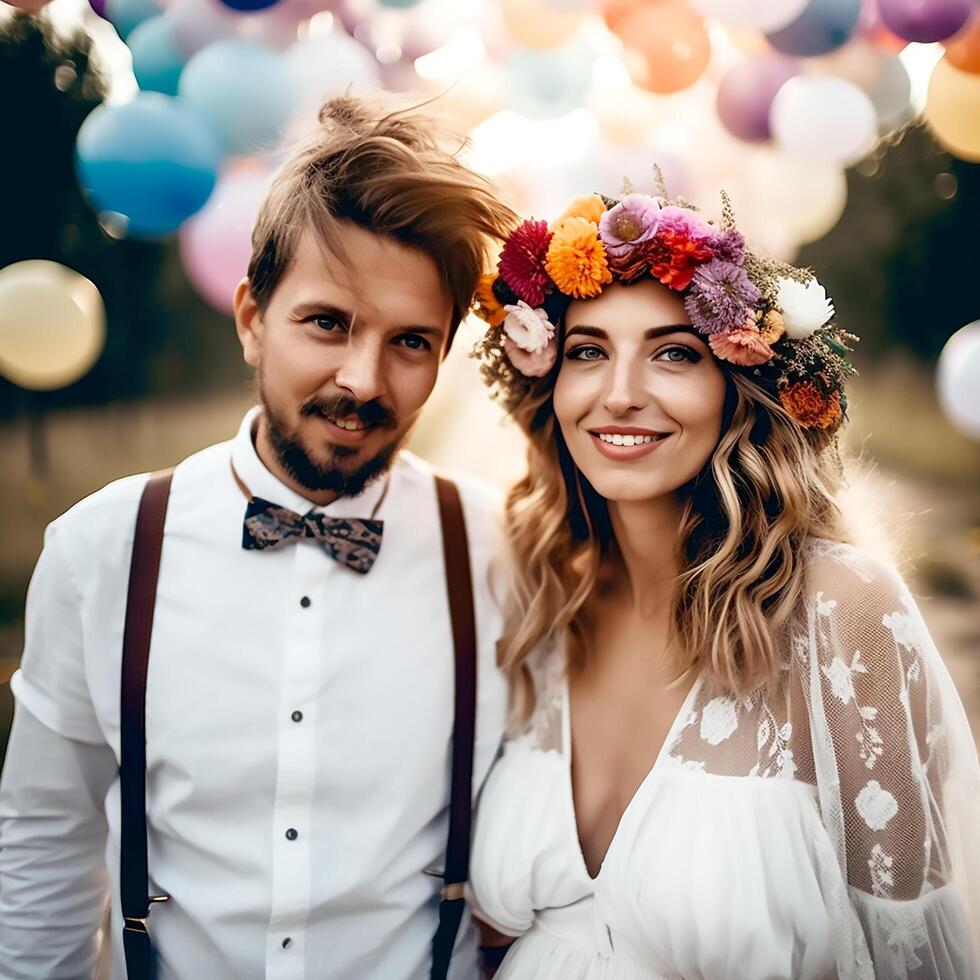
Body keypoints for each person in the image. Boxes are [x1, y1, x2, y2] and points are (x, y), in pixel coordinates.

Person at [0, 96, 517, 980]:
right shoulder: (100, 549)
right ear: (251, 318)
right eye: (328, 323)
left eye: (411, 342)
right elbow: (48, 836)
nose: (363, 379)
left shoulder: (504, 557)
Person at [466, 186, 980, 979]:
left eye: (674, 352)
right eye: (587, 350)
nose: (619, 392)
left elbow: (913, 950)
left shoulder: (840, 609)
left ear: (736, 387)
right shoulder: (540, 603)